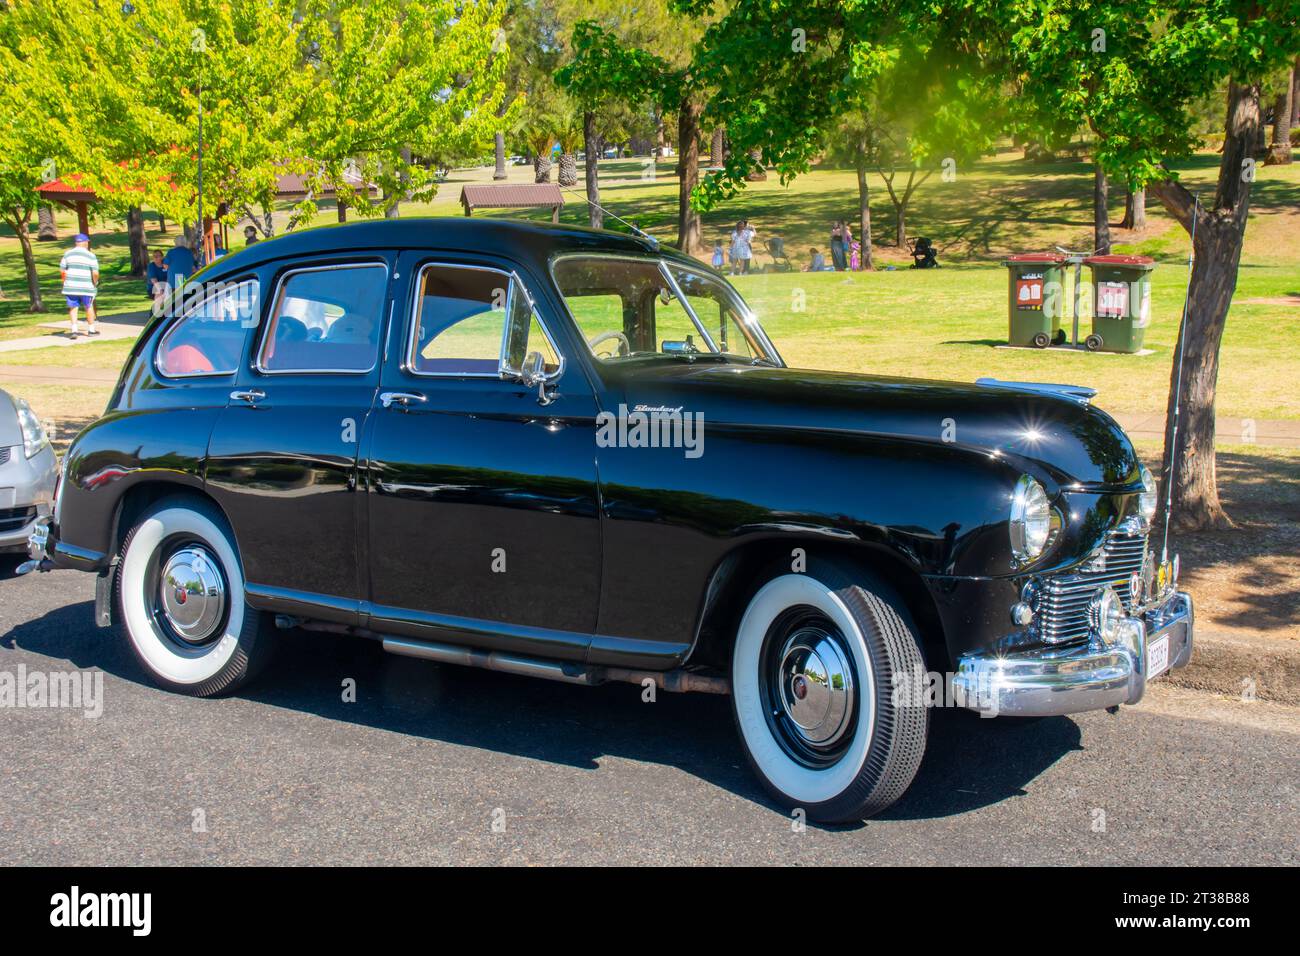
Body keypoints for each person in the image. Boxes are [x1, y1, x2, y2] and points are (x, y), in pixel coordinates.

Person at [59, 233, 100, 338]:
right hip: (86, 286)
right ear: (85, 243)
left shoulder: (68, 254)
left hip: (71, 287)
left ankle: (74, 330)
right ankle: (91, 330)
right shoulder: (90, 255)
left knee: (73, 307)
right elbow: (95, 273)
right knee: (88, 306)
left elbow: (62, 270)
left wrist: (65, 282)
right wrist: (95, 283)